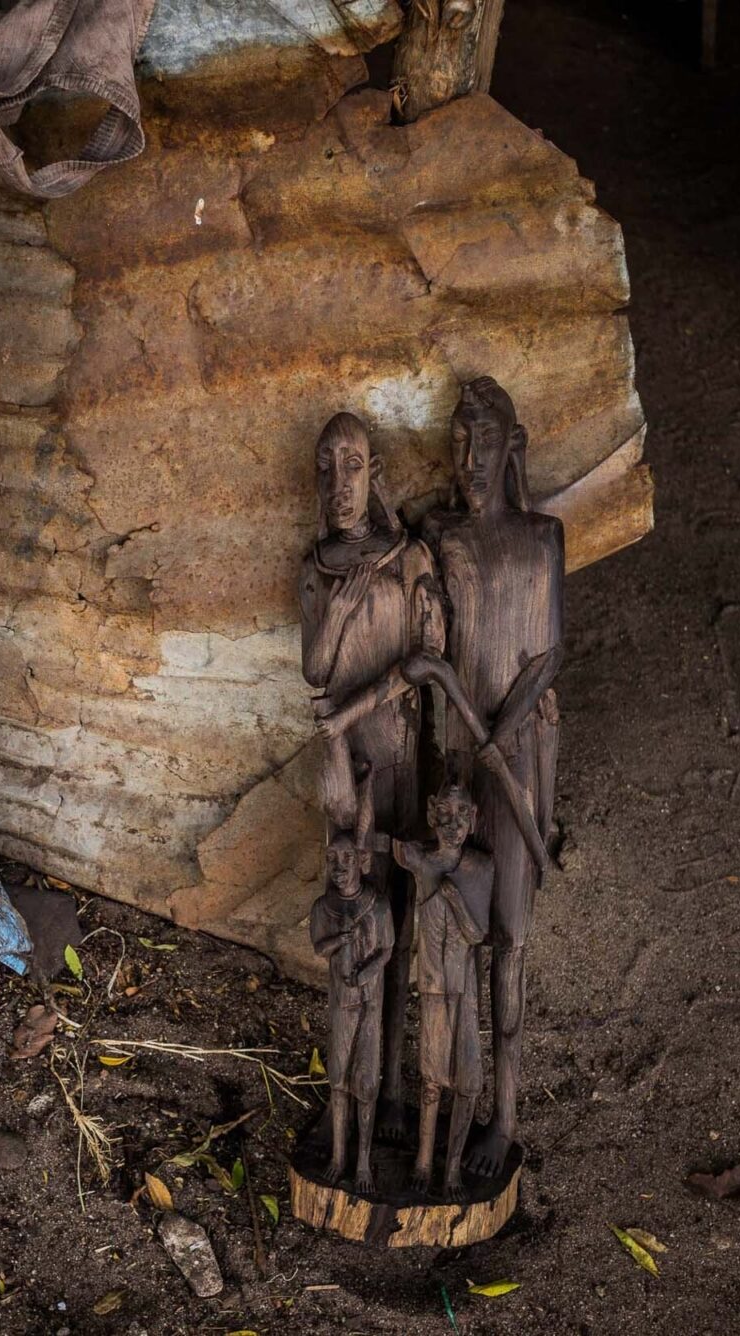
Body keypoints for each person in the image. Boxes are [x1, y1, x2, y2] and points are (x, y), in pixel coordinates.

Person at [419, 377, 564, 1177]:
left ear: (512, 447)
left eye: (486, 440)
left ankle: (503, 1117)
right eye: (459, 442)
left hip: (512, 767)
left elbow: (546, 660)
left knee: (507, 941)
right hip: (455, 760)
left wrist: (500, 741)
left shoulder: (541, 540)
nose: (471, 459)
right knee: (448, 940)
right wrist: (470, 743)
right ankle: (446, 1099)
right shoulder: (444, 538)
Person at [299, 411, 442, 1136]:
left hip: (395, 750)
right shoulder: (317, 569)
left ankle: (391, 1091)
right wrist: (339, 613)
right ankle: (349, 1098)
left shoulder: (405, 558)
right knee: (356, 909)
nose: (339, 484)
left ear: (373, 471)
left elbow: (422, 658)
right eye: (326, 468)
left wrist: (354, 709)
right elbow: (313, 670)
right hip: (344, 766)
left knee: (400, 918)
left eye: (353, 465)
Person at [392, 783, 491, 1194]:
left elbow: (476, 932)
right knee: (431, 1079)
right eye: (445, 815)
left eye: (461, 816)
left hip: (463, 989)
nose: (453, 825)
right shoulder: (419, 860)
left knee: (468, 1082)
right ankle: (423, 1161)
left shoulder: (479, 868)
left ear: (473, 820)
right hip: (432, 986)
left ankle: (451, 1169)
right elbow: (383, 844)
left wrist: (451, 897)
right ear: (432, 814)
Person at [307, 779, 394, 1193]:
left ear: (361, 861)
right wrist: (338, 941)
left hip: (370, 1004)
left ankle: (362, 1161)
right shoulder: (323, 908)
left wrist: (367, 972)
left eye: (346, 858)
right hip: (341, 1004)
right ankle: (340, 1154)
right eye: (332, 859)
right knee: (338, 1077)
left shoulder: (376, 904)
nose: (339, 867)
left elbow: (388, 950)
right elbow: (318, 946)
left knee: (366, 1082)